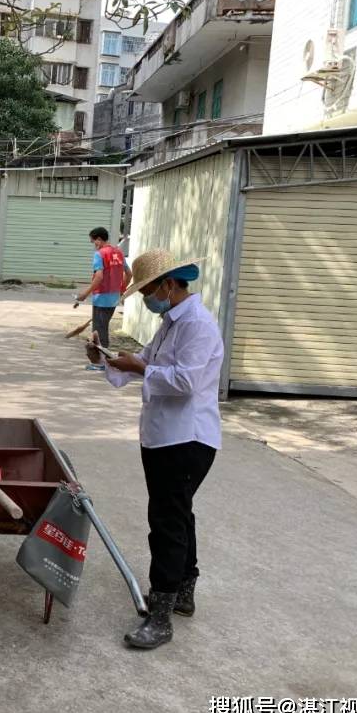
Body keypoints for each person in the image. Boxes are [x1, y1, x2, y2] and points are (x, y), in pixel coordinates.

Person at [86, 248, 223, 650]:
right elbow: (144, 360)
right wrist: (106, 359)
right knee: (178, 514)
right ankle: (182, 593)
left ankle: (160, 615)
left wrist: (139, 368)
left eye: (148, 289)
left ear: (169, 284)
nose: (147, 297)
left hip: (186, 438)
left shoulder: (197, 324)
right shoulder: (170, 323)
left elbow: (184, 382)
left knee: (166, 521)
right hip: (165, 435)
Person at [76, 227, 131, 371]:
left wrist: (85, 294)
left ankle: (102, 363)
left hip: (101, 298)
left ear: (99, 239)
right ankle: (104, 361)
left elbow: (99, 277)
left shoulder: (99, 254)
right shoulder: (118, 253)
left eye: (93, 241)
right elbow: (129, 273)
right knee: (103, 328)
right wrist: (121, 289)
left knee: (98, 332)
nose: (94, 244)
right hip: (114, 298)